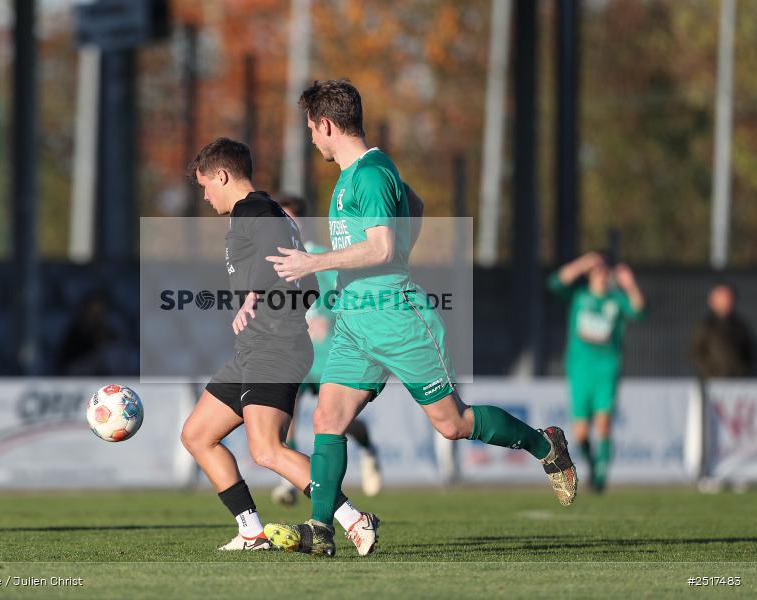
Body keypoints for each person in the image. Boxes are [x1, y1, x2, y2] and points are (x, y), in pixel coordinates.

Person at [262, 80, 577, 557]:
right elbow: (417, 207)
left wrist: (314, 264)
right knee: (328, 417)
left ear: (326, 125)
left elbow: (383, 246)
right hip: (355, 322)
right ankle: (321, 529)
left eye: (311, 128)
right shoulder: (358, 173)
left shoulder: (367, 175)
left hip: (396, 318)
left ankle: (544, 445)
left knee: (452, 423)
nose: (310, 137)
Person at [178, 137, 375, 554]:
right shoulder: (262, 211)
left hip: (275, 347)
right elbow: (301, 282)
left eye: (205, 186)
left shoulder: (254, 210)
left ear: (222, 175)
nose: (205, 195)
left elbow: (281, 267)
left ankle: (353, 518)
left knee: (267, 449)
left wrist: (253, 295)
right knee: (198, 434)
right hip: (256, 347)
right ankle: (252, 530)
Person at [271, 194, 382, 505]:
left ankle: (368, 445)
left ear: (303, 223)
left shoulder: (323, 259)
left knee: (337, 421)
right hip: (293, 354)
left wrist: (325, 318)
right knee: (285, 412)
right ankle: (288, 482)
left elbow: (350, 295)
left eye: (292, 219)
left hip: (328, 352)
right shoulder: (274, 262)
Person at [548, 252, 646, 492]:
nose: (602, 277)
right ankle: (592, 465)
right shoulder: (580, 296)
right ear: (590, 275)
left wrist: (630, 284)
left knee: (603, 424)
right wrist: (582, 262)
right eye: (597, 272)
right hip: (580, 370)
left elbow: (640, 312)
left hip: (606, 370)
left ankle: (601, 473)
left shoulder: (616, 300)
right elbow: (555, 283)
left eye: (605, 272)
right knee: (580, 432)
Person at [691, 283, 754, 378]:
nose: (726, 301)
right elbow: (696, 353)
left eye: (729, 297)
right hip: (713, 382)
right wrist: (710, 373)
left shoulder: (740, 325)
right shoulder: (705, 326)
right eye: (722, 297)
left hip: (739, 381)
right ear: (712, 300)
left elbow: (750, 351)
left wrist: (743, 371)